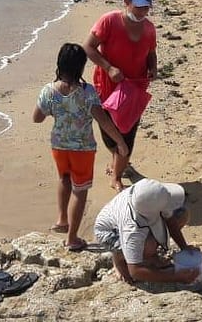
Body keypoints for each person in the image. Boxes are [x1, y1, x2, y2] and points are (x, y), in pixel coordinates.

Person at [34, 43, 130, 251]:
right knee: (80, 190)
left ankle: (61, 218)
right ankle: (72, 238)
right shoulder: (87, 92)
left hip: (59, 145)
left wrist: (56, 110)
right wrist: (120, 142)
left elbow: (37, 118)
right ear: (81, 67)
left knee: (64, 179)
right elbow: (102, 120)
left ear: (59, 64)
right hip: (83, 149)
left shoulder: (49, 91)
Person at [82, 0, 157, 191]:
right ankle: (117, 158)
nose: (142, 12)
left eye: (146, 8)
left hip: (134, 89)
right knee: (109, 134)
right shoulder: (110, 21)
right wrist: (108, 67)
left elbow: (151, 53)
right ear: (127, 3)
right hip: (106, 87)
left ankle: (116, 175)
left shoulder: (149, 28)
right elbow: (88, 47)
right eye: (138, 7)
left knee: (128, 134)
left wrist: (153, 68)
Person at [93, 178, 199, 284]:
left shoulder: (149, 194)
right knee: (148, 245)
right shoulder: (132, 228)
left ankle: (148, 255)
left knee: (181, 214)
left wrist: (184, 247)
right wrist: (175, 277)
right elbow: (135, 271)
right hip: (108, 232)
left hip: (140, 217)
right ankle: (119, 259)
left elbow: (170, 221)